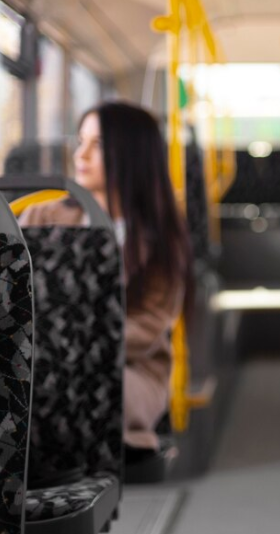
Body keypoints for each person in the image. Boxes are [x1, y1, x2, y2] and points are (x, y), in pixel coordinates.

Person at [20, 101, 192, 454]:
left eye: (97, 145)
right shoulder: (39, 216)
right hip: (38, 358)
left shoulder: (159, 237)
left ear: (132, 154)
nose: (81, 154)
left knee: (63, 386)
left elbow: (146, 327)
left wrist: (64, 346)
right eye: (80, 141)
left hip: (128, 369)